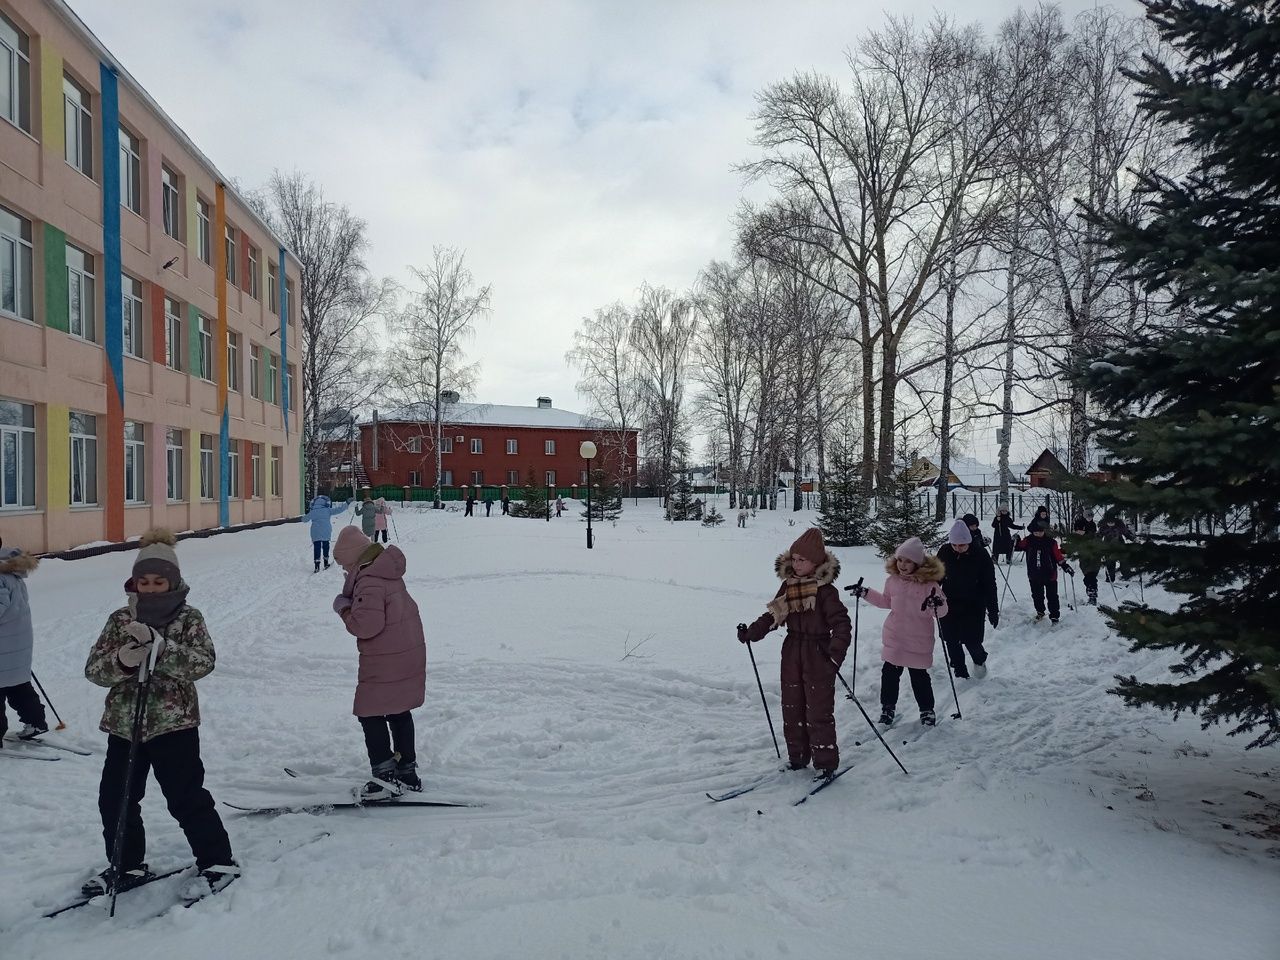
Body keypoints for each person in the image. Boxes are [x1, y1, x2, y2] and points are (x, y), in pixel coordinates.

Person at [82, 529, 238, 901]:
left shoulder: (188, 618)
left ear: (172, 580)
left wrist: (163, 650)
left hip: (174, 725)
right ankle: (126, 864)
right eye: (144, 580)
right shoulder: (120, 620)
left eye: (158, 580)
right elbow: (93, 670)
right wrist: (123, 660)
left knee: (185, 796)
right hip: (124, 726)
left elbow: (204, 663)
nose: (150, 587)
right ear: (135, 581)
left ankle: (218, 861)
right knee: (116, 798)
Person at [739, 528, 851, 779]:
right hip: (792, 652)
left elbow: (842, 624)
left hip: (818, 654)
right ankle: (798, 758)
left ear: (816, 562)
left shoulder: (825, 591)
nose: (797, 564)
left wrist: (834, 656)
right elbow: (774, 615)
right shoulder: (788, 587)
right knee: (792, 707)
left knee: (818, 711)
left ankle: (825, 763)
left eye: (803, 560)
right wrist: (751, 633)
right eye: (795, 559)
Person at [331, 526, 427, 801]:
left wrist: (344, 607)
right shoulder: (386, 571)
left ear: (353, 558)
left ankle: (384, 776)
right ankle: (407, 772)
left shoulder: (370, 580)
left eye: (344, 565)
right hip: (404, 651)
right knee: (398, 710)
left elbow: (366, 625)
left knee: (370, 712)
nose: (345, 572)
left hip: (387, 657)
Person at [849, 537, 948, 728]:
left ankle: (927, 710)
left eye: (908, 561)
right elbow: (886, 601)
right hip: (895, 637)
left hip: (918, 640)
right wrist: (865, 593)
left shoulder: (930, 585)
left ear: (917, 563)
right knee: (889, 675)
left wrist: (937, 604)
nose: (902, 565)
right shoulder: (892, 581)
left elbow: (942, 612)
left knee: (919, 677)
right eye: (900, 559)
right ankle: (888, 708)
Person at [0, 540, 48, 745]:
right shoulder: (12, 574)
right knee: (19, 686)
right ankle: (36, 722)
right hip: (16, 646)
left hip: (3, 648)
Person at [937, 521, 998, 679]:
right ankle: (959, 670)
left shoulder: (980, 554)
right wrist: (932, 595)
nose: (958, 548)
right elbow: (936, 577)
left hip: (973, 604)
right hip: (949, 603)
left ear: (969, 542)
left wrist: (993, 610)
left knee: (972, 640)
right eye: (955, 545)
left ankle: (979, 660)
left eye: (962, 545)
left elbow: (990, 584)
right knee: (951, 639)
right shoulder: (944, 551)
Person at [1015, 521, 1073, 623]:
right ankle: (1040, 611)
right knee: (1037, 596)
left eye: (1040, 532)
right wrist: (1015, 540)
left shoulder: (1051, 542)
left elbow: (1058, 556)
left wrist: (1065, 566)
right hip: (1034, 574)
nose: (1038, 534)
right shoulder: (1028, 541)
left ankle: (1054, 615)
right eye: (1036, 532)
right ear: (1032, 532)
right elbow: (1018, 547)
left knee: (1052, 596)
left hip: (1050, 574)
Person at [305, 491, 350, 572]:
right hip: (326, 530)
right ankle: (326, 562)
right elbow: (338, 510)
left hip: (315, 532)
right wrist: (346, 503)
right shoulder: (328, 510)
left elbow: (304, 519)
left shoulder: (313, 511)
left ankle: (317, 565)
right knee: (326, 545)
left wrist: (304, 516)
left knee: (317, 547)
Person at [1072, 512, 1100, 605]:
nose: (1089, 518)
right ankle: (1091, 592)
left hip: (1094, 551)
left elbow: (1093, 535)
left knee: (1091, 574)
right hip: (1083, 550)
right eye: (1088, 516)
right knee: (1087, 574)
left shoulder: (1093, 524)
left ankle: (1092, 594)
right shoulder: (1079, 522)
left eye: (1091, 516)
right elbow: (1077, 534)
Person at [1098, 513, 1135, 583]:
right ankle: (1110, 579)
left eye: (1112, 522)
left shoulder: (1120, 524)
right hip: (1108, 546)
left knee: (1124, 560)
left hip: (1120, 544)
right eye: (1109, 523)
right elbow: (1099, 536)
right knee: (1110, 562)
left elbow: (1126, 533)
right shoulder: (1103, 526)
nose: (1111, 524)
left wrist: (1133, 538)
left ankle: (1126, 575)